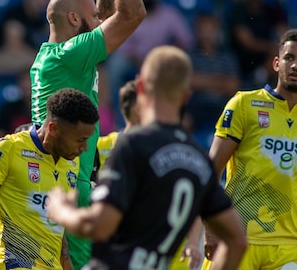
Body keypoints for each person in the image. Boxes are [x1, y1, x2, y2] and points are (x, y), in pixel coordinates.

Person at [47, 46, 247, 270]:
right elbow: (237, 241)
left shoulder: (133, 145)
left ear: (141, 86)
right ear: (186, 96)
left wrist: (62, 211)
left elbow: (99, 225)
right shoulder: (199, 159)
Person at [30, 0, 147, 267]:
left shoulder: (55, 56)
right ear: (74, 21)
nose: (100, 20)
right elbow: (132, 15)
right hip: (71, 178)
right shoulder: (72, 55)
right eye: (92, 17)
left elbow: (109, 13)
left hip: (60, 175)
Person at [202, 28, 297, 269]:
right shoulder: (244, 104)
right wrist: (211, 228)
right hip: (237, 238)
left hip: (287, 247)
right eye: (289, 58)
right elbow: (211, 170)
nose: (295, 65)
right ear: (276, 63)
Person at [0, 88, 100, 269]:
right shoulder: (8, 149)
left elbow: (57, 231)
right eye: (79, 140)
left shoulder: (72, 163)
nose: (85, 148)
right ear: (53, 129)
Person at [104, 0, 193, 128]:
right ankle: (113, 115)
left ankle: (179, 117)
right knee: (115, 65)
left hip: (161, 60)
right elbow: (121, 44)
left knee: (183, 63)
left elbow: (186, 40)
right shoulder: (129, 14)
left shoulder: (169, 14)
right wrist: (138, 59)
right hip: (133, 60)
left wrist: (168, 52)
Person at [225, 0, 287, 88]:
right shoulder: (239, 9)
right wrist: (271, 47)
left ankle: (261, 76)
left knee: (284, 52)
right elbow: (248, 43)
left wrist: (277, 47)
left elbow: (285, 36)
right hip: (241, 62)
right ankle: (257, 79)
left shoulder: (273, 9)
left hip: (266, 61)